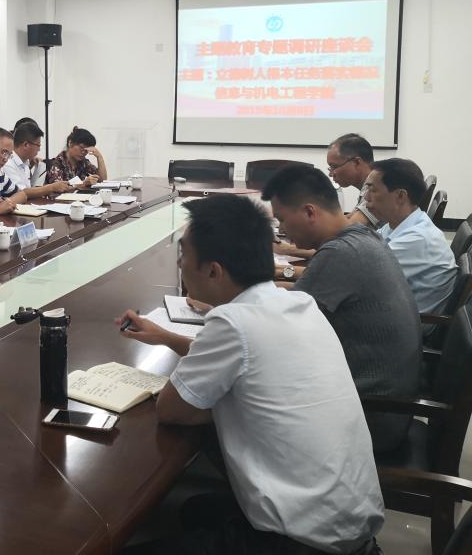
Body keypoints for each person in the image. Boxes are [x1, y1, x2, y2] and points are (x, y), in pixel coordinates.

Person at [118, 194, 383, 554]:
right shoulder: (298, 303)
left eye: (183, 256)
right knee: (195, 510)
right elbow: (251, 364)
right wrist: (164, 337)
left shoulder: (232, 322)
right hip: (347, 520)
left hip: (299, 543)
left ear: (213, 271)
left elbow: (172, 410)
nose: (179, 264)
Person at [261, 165, 420, 452]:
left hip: (368, 418)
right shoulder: (362, 236)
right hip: (386, 407)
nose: (281, 230)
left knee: (233, 401)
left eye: (282, 219)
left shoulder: (340, 253)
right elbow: (297, 302)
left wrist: (223, 301)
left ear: (310, 212)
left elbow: (277, 331)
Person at [363, 157, 457, 318]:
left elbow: (356, 274)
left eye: (372, 190)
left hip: (408, 325)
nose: (366, 196)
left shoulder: (418, 239)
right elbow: (365, 248)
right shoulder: (397, 223)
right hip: (396, 312)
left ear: (400, 196)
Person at [2, 121, 72, 198]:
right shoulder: (8, 164)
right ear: (26, 144)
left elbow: (29, 189)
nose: (39, 149)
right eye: (38, 145)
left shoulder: (25, 162)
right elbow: (22, 193)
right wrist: (52, 187)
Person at [327, 133, 381, 227]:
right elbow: (349, 218)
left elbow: (350, 228)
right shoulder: (366, 189)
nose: (331, 174)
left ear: (357, 162)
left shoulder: (377, 188)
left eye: (334, 167)